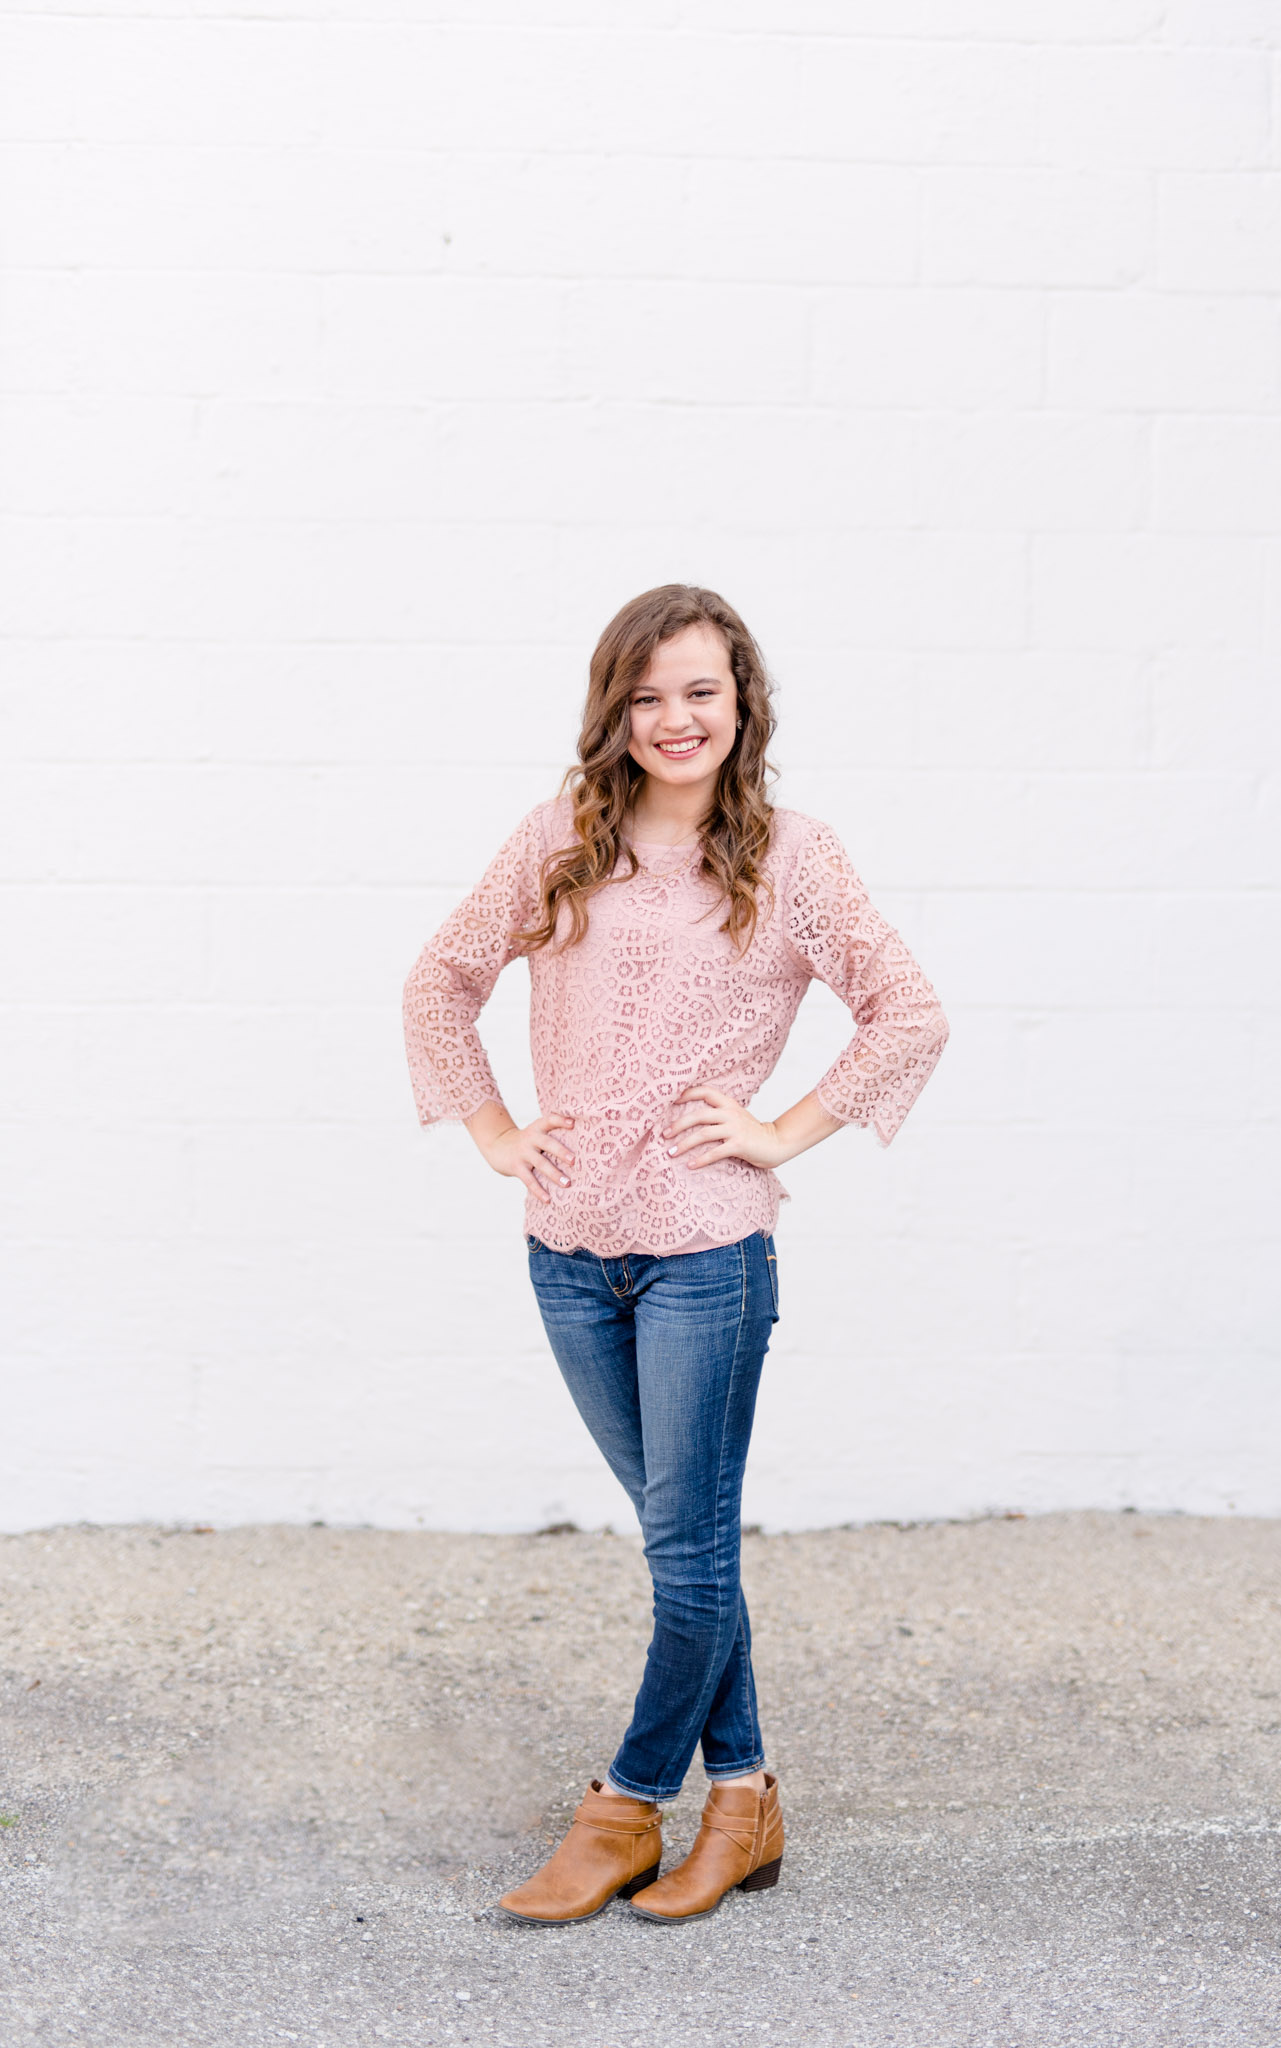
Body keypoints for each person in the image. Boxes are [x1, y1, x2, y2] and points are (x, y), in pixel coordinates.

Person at [401, 584, 948, 1925]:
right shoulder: (563, 839)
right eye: (646, 696)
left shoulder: (791, 857)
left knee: (686, 1558)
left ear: (741, 701)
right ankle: (746, 1801)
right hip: (570, 1250)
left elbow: (909, 1013)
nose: (674, 718)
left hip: (708, 1254)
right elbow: (440, 979)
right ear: (615, 712)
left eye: (700, 690)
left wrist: (780, 1133)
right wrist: (490, 1128)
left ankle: (629, 1805)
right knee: (681, 1541)